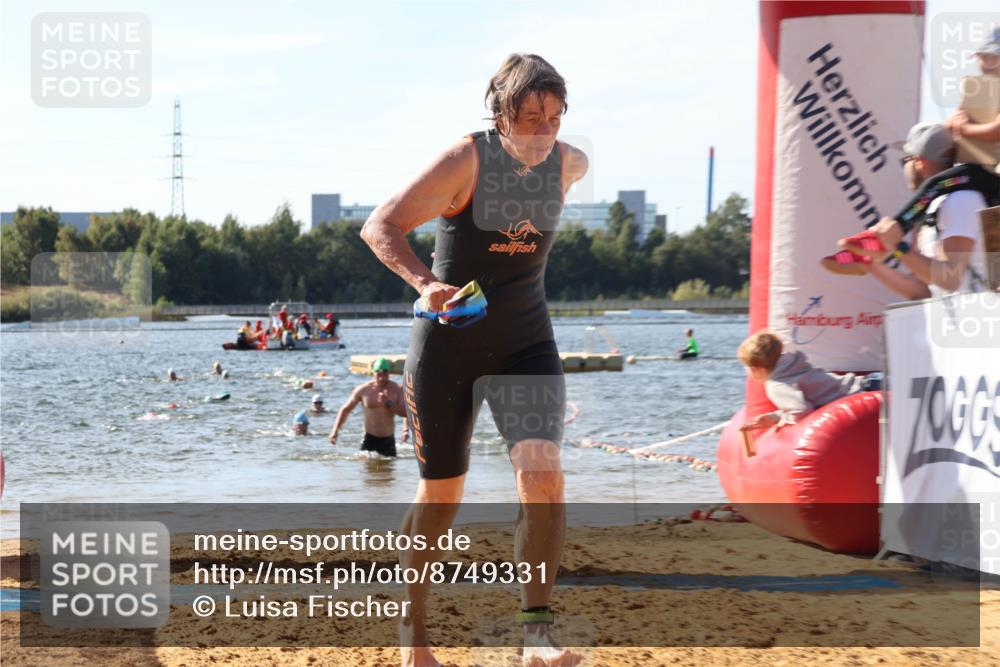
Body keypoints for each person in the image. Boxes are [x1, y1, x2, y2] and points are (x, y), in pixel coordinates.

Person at [359, 53, 588, 667]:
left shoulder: (571, 164)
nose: (544, 132)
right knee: (441, 496)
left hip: (526, 343)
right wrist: (424, 283)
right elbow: (381, 226)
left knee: (542, 472)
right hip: (448, 345)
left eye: (555, 118)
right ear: (501, 114)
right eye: (530, 117)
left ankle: (535, 636)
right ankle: (414, 636)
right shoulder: (466, 160)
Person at [824, 31, 1000, 273]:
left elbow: (995, 130)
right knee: (936, 189)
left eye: (991, 58)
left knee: (939, 186)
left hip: (989, 173)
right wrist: (958, 124)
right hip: (985, 172)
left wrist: (964, 126)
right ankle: (882, 243)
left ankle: (888, 239)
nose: (985, 65)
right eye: (982, 58)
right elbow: (953, 123)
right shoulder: (981, 90)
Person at [830, 123, 989, 299]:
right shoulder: (936, 207)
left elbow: (950, 279)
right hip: (959, 321)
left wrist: (898, 246)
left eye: (905, 160)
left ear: (919, 162)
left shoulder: (960, 200)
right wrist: (871, 264)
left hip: (981, 319)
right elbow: (923, 291)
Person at [738, 331, 865, 432]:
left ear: (756, 369)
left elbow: (802, 411)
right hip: (865, 384)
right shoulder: (792, 366)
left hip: (859, 396)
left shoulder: (776, 384)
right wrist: (775, 417)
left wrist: (782, 422)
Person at [328, 358, 407, 457]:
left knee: (388, 470)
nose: (382, 378)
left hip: (388, 439)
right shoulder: (363, 390)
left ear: (389, 373)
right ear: (373, 373)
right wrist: (335, 430)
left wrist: (389, 404)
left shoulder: (397, 389)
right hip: (369, 437)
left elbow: (406, 413)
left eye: (385, 374)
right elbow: (346, 409)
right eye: (379, 374)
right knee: (366, 470)